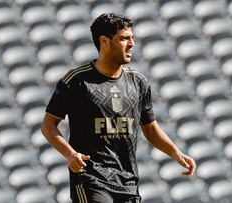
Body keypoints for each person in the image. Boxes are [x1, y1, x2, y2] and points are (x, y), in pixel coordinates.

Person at [41, 13, 196, 203]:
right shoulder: (77, 81)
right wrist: (70, 154)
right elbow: (49, 125)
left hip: (127, 181)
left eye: (132, 38)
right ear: (104, 41)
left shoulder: (138, 82)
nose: (131, 44)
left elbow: (150, 128)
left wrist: (176, 153)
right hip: (91, 178)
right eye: (124, 39)